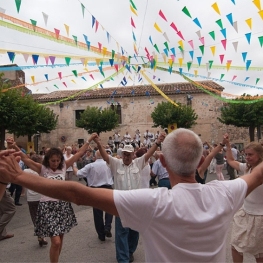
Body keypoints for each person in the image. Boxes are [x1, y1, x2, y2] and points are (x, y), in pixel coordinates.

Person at [2, 130, 263, 262]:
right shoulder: (225, 193)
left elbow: (77, 193)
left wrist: (18, 176)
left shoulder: (155, 202)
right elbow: (257, 175)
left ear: (162, 161)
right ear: (199, 162)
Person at [11, 141, 91, 263]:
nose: (55, 163)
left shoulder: (64, 166)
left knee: (60, 240)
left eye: (58, 160)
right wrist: (14, 146)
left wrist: (89, 140)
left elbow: (79, 153)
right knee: (56, 241)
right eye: (53, 161)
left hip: (62, 205)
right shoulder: (42, 169)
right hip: (47, 206)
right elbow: (26, 159)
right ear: (48, 160)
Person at [93, 132, 165, 263]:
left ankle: (130, 251)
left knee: (134, 231)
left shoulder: (138, 163)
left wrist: (158, 142)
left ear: (133, 155)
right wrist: (98, 143)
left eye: (128, 154)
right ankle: (123, 258)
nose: (126, 157)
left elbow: (148, 153)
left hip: (136, 204)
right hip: (120, 204)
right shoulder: (116, 163)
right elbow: (104, 156)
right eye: (124, 154)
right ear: (121, 154)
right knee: (121, 232)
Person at [225, 140, 263, 262]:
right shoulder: (247, 168)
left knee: (259, 252)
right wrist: (228, 145)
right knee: (235, 245)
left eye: (250, 154)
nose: (247, 157)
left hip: (260, 216)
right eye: (246, 154)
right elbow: (231, 161)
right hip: (245, 213)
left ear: (260, 155)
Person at [74, 150, 113, 241]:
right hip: (107, 188)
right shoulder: (109, 165)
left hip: (95, 190)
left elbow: (78, 174)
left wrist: (74, 166)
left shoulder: (90, 166)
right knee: (110, 209)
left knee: (97, 213)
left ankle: (101, 234)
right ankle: (107, 227)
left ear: (94, 156)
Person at [24, 154, 48, 246]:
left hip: (31, 198)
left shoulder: (26, 171)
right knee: (42, 217)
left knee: (35, 217)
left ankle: (40, 235)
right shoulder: (41, 171)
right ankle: (42, 235)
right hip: (41, 197)